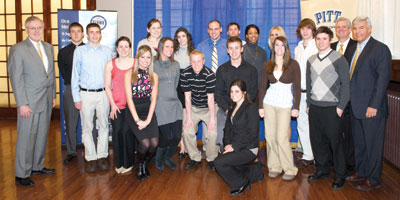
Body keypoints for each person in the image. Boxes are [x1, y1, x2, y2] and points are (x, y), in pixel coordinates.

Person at [8, 16, 56, 187]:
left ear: (43, 29)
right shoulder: (18, 49)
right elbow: (16, 78)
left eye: (39, 27)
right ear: (26, 29)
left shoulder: (48, 47)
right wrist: (22, 103)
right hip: (28, 102)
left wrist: (53, 96)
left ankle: (37, 165)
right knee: (26, 138)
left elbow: (50, 74)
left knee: (42, 135)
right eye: (33, 28)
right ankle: (21, 173)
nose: (36, 31)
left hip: (45, 99)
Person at [346, 16, 391, 191]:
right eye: (355, 28)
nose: (357, 31)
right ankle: (362, 171)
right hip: (355, 107)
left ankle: (373, 178)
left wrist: (374, 105)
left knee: (373, 145)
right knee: (360, 144)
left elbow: (382, 80)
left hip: (372, 109)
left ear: (370, 29)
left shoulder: (380, 49)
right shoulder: (353, 50)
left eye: (361, 28)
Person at [306, 26, 350, 190]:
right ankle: (322, 170)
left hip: (333, 108)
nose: (321, 42)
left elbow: (346, 85)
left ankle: (340, 175)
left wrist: (340, 107)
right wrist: (309, 104)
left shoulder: (339, 59)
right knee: (317, 142)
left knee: (336, 143)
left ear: (330, 40)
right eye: (318, 38)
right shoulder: (310, 60)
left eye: (324, 38)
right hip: (315, 107)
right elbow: (309, 85)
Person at [71, 23, 113, 173]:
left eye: (97, 32)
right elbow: (75, 75)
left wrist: (112, 96)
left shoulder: (108, 51)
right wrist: (76, 97)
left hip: (103, 93)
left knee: (103, 125)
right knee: (87, 127)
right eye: (91, 32)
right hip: (86, 94)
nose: (95, 35)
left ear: (100, 34)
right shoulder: (80, 51)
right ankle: (91, 158)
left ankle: (102, 156)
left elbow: (111, 75)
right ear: (87, 35)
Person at [258, 36, 300, 181]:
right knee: (270, 137)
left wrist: (297, 107)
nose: (279, 48)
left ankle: (290, 168)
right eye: (277, 45)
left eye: (282, 45)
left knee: (282, 138)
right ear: (273, 47)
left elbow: (297, 88)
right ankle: (274, 166)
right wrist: (260, 107)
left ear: (286, 47)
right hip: (269, 103)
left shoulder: (293, 64)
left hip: (285, 105)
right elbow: (262, 87)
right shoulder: (267, 65)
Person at [214, 80, 264, 196]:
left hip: (248, 148)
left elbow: (252, 134)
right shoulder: (232, 108)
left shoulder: (251, 108)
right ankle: (255, 171)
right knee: (227, 162)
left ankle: (241, 183)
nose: (233, 94)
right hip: (235, 146)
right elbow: (227, 130)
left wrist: (234, 147)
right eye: (231, 92)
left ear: (244, 93)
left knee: (218, 163)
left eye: (237, 91)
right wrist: (226, 144)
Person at [215, 36, 258, 152]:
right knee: (220, 129)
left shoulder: (251, 70)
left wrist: (241, 109)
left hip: (246, 109)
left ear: (242, 49)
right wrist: (228, 109)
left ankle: (245, 156)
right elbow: (218, 93)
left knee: (245, 131)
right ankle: (225, 154)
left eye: (236, 48)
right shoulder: (221, 70)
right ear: (227, 50)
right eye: (231, 48)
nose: (234, 51)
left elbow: (253, 92)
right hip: (227, 108)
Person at [124, 45, 159, 180]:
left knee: (154, 144)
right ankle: (139, 165)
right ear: (137, 57)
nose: (145, 60)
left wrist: (148, 120)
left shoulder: (153, 76)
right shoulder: (129, 74)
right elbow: (129, 99)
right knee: (145, 143)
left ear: (151, 59)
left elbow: (154, 100)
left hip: (147, 109)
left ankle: (144, 163)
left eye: (148, 57)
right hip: (133, 111)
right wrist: (138, 121)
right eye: (142, 56)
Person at [181, 50, 218, 171]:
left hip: (209, 108)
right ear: (190, 62)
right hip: (193, 107)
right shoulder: (185, 73)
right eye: (193, 62)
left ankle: (211, 158)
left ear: (203, 61)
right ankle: (195, 158)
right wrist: (189, 118)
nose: (196, 64)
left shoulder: (209, 75)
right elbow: (187, 97)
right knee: (187, 130)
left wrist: (212, 119)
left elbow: (211, 98)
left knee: (213, 132)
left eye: (199, 61)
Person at [330, 17, 357, 175]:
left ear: (349, 29)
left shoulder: (356, 46)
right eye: (337, 27)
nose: (340, 29)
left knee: (349, 132)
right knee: (335, 131)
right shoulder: (331, 46)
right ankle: (336, 161)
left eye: (343, 27)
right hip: (332, 97)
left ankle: (349, 163)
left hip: (350, 97)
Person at [104, 36, 135, 174]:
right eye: (120, 46)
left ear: (130, 48)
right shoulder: (110, 64)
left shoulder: (136, 63)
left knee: (126, 132)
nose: (123, 49)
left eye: (126, 46)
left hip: (132, 106)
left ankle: (128, 162)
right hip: (116, 106)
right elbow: (107, 86)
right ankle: (119, 162)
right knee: (116, 133)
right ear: (116, 49)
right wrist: (112, 105)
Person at [153, 37, 183, 170]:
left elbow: (176, 84)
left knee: (176, 135)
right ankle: (158, 159)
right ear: (160, 47)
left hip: (175, 104)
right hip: (160, 104)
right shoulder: (152, 64)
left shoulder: (176, 65)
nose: (170, 49)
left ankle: (168, 157)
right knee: (165, 136)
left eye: (172, 47)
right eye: (167, 46)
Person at [58, 22, 85, 164]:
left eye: (78, 31)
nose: (76, 34)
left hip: (86, 90)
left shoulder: (88, 49)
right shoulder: (63, 52)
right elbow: (63, 72)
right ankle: (71, 151)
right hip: (70, 88)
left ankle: (91, 151)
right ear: (69, 34)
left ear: (83, 34)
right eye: (73, 31)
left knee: (89, 122)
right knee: (71, 122)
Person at [294, 18, 318, 168]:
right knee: (301, 124)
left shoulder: (317, 46)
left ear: (313, 30)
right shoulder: (297, 48)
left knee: (315, 125)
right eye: (303, 28)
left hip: (314, 93)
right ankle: (308, 155)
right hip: (299, 92)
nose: (305, 31)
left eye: (308, 28)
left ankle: (318, 155)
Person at [174, 27, 195, 158]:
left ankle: (188, 144)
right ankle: (182, 144)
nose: (181, 39)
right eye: (179, 36)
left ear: (188, 37)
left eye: (183, 36)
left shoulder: (193, 51)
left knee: (189, 114)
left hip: (190, 84)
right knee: (181, 115)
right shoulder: (173, 52)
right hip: (177, 85)